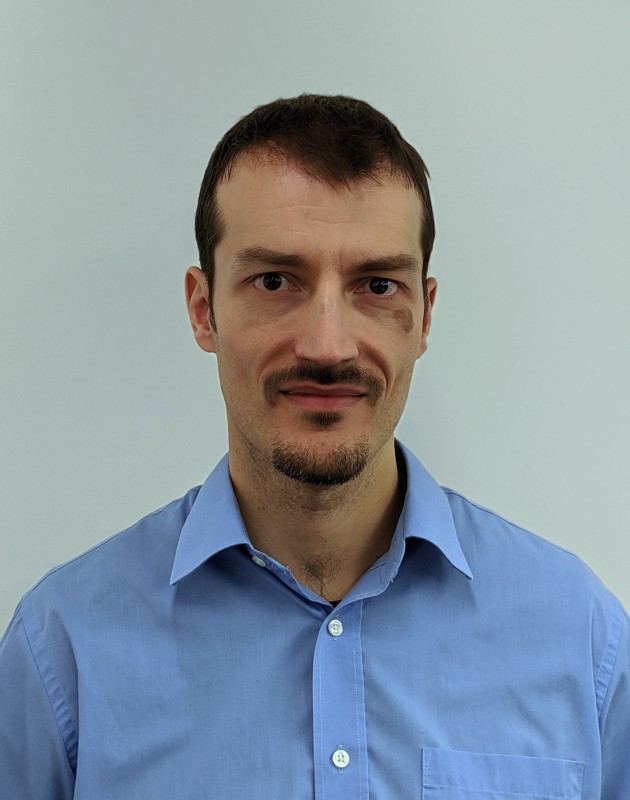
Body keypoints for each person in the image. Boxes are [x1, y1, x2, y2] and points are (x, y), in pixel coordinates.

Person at [0, 94, 627, 800]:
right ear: (203, 310)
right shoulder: (63, 653)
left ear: (424, 316)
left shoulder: (582, 640)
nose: (327, 346)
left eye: (377, 285)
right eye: (275, 281)